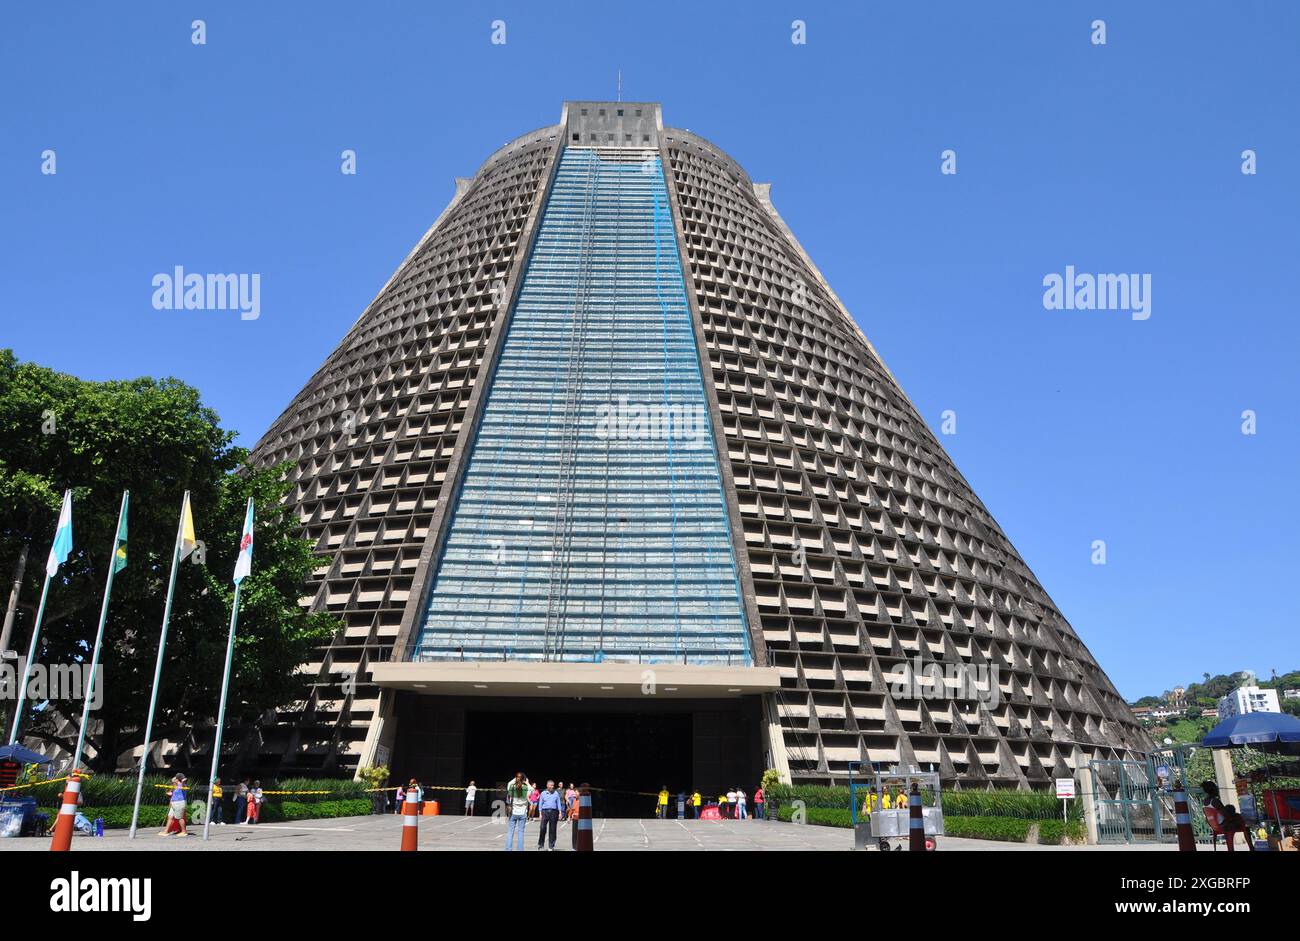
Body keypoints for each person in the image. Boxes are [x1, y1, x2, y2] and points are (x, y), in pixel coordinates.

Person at [505, 772, 530, 851]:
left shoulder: (512, 787)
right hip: (522, 813)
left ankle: (508, 849)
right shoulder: (526, 788)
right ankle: (520, 849)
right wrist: (526, 782)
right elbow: (532, 789)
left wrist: (516, 778)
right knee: (520, 833)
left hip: (513, 813)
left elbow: (509, 783)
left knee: (510, 832)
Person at [536, 779, 563, 850]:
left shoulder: (556, 793)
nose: (552, 787)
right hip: (544, 812)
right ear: (547, 785)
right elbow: (540, 804)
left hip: (554, 812)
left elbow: (559, 803)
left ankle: (551, 846)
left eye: (553, 785)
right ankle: (541, 845)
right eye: (551, 785)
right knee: (542, 828)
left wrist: (560, 813)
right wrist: (540, 814)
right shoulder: (543, 793)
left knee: (553, 830)